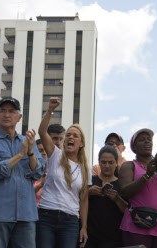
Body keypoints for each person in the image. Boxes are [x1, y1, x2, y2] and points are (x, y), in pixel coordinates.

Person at [0, 97, 45, 247]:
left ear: (19, 117)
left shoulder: (27, 141)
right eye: (2, 111)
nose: (7, 115)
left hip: (26, 213)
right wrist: (20, 155)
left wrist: (30, 152)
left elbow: (38, 173)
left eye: (11, 111)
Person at [37, 98, 90, 248]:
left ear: (81, 143)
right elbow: (42, 132)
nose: (70, 137)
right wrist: (50, 110)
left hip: (70, 221)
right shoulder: (55, 154)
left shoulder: (84, 168)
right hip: (46, 216)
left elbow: (84, 200)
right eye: (68, 135)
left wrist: (84, 227)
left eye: (75, 136)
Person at [86, 145, 128, 248]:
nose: (107, 166)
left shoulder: (122, 184)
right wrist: (87, 193)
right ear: (99, 162)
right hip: (90, 237)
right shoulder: (90, 181)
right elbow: (76, 202)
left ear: (117, 162)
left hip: (114, 238)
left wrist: (117, 199)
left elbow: (128, 211)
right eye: (103, 162)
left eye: (111, 162)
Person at [34, 139, 48, 206]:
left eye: (46, 150)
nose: (44, 153)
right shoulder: (28, 174)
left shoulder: (51, 175)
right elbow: (25, 195)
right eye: (40, 150)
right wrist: (40, 185)